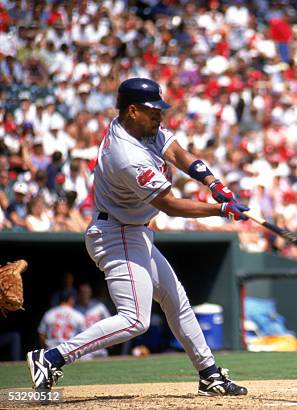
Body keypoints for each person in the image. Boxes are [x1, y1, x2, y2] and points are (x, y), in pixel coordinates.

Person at [27, 78, 249, 397]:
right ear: (132, 111)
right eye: (153, 111)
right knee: (135, 320)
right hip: (116, 234)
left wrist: (213, 183)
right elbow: (169, 205)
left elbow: (179, 154)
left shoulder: (142, 129)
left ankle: (210, 374)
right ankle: (51, 357)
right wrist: (219, 210)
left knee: (177, 301)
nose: (160, 116)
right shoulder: (126, 154)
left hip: (134, 231)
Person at [74, 283, 111, 359]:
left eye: (86, 292)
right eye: (82, 292)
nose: (84, 294)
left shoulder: (99, 306)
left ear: (90, 293)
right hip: (83, 347)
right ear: (79, 294)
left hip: (100, 345)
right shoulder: (75, 309)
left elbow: (109, 322)